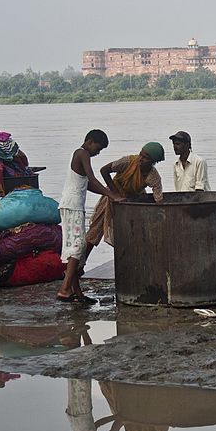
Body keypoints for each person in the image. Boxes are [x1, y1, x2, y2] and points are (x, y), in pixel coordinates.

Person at [56, 129, 124, 304]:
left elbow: (87, 185)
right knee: (78, 248)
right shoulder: (82, 153)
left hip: (73, 205)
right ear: (90, 141)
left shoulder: (80, 154)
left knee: (75, 247)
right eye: (98, 148)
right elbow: (92, 179)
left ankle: (76, 292)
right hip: (72, 206)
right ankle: (64, 290)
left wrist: (109, 192)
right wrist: (111, 195)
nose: (98, 152)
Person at [84, 142, 165, 262]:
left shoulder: (153, 176)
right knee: (95, 230)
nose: (140, 159)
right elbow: (104, 170)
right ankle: (80, 263)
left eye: (145, 158)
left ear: (153, 162)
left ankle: (134, 261)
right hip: (112, 196)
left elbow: (158, 199)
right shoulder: (128, 162)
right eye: (140, 155)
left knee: (132, 233)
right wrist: (115, 194)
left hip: (132, 201)